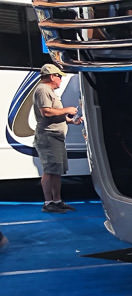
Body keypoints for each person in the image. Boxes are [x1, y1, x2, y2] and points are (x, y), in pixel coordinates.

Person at [32, 63, 84, 213]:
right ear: (52, 76)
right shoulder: (43, 90)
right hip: (49, 136)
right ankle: (48, 203)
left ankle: (57, 200)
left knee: (56, 170)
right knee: (49, 170)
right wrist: (67, 109)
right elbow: (46, 112)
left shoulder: (49, 91)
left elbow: (55, 113)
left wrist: (71, 121)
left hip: (56, 137)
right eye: (59, 76)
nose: (61, 80)